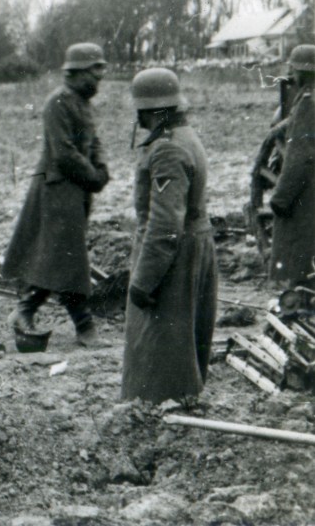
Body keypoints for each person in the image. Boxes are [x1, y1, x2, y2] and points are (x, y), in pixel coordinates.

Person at [2, 42, 110, 347]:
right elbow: (64, 153)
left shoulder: (81, 103)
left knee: (58, 257)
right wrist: (93, 177)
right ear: (75, 73)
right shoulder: (58, 103)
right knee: (66, 257)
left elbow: (94, 140)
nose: (97, 83)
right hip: (56, 190)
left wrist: (101, 170)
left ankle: (25, 312)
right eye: (94, 75)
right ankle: (83, 327)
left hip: (75, 190)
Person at [121, 68, 217, 404]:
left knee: (159, 342)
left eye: (142, 111)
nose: (139, 119)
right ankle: (182, 401)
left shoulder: (166, 150)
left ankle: (158, 410)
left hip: (175, 255)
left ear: (153, 111)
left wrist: (143, 280)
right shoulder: (186, 138)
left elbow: (163, 226)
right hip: (194, 243)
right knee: (183, 339)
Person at [269, 44, 315, 286]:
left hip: (307, 197)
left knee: (300, 261)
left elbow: (299, 157)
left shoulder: (307, 102)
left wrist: (281, 198)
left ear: (299, 73)